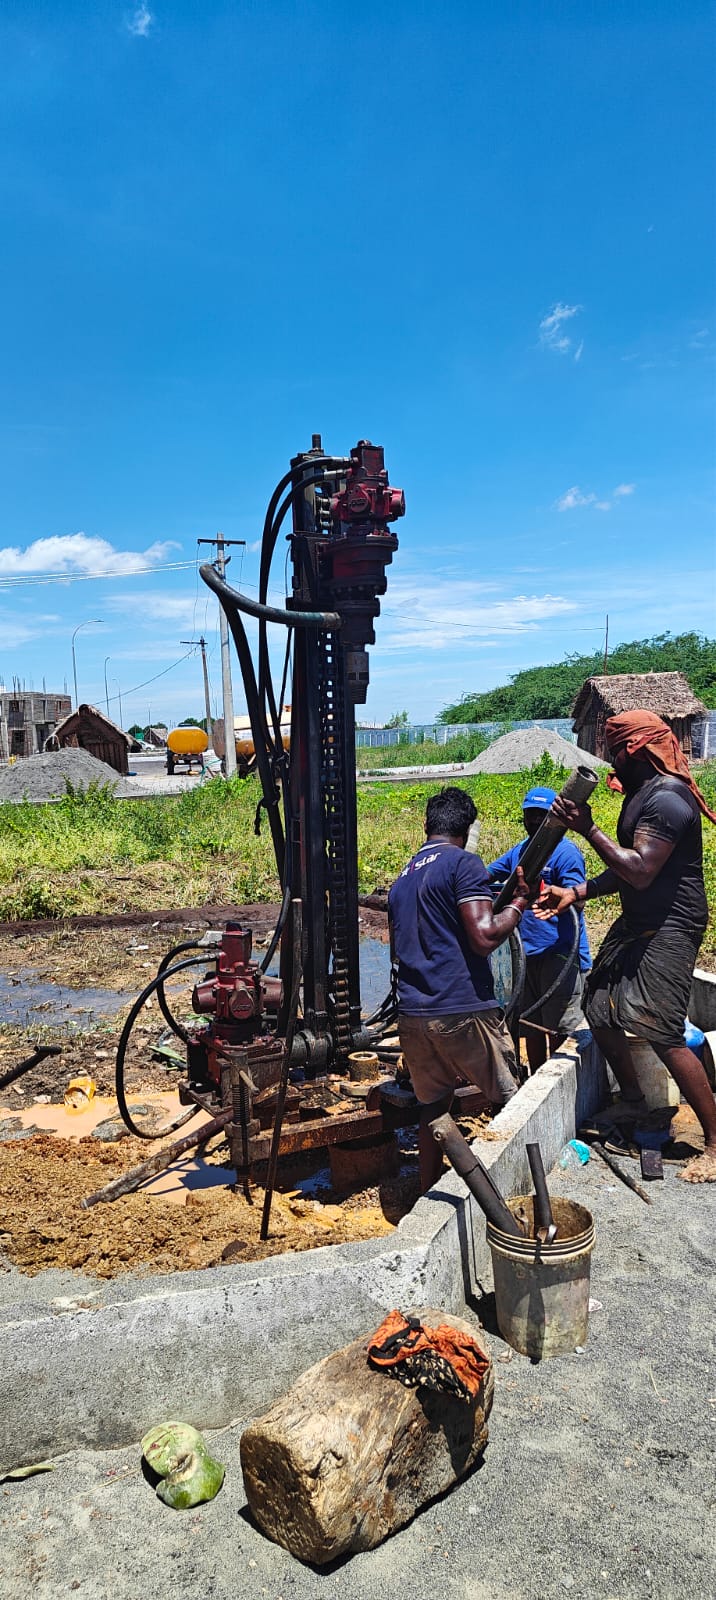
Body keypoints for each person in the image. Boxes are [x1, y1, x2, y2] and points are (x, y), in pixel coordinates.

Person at [535, 710, 716, 1183]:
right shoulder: (642, 794)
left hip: (672, 925)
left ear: (634, 749)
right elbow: (629, 867)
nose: (609, 760)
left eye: (614, 750)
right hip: (640, 920)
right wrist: (576, 892)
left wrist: (588, 828)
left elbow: (639, 869)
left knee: (661, 1029)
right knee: (599, 1005)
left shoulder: (670, 801)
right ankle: (635, 1101)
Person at [388, 786, 534, 1191]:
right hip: (461, 1009)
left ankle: (427, 1193)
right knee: (510, 1100)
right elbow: (485, 937)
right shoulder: (463, 864)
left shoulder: (403, 878)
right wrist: (519, 903)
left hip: (414, 1014)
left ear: (426, 826)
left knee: (433, 1108)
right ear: (466, 830)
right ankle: (517, 1191)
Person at [488, 787, 592, 1070]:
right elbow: (487, 874)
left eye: (540, 815)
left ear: (553, 818)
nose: (533, 821)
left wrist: (547, 892)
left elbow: (576, 901)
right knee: (530, 1023)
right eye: (529, 814)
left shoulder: (566, 853)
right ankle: (535, 1076)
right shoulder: (520, 851)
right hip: (526, 955)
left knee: (560, 1027)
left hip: (559, 956)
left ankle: (559, 1079)